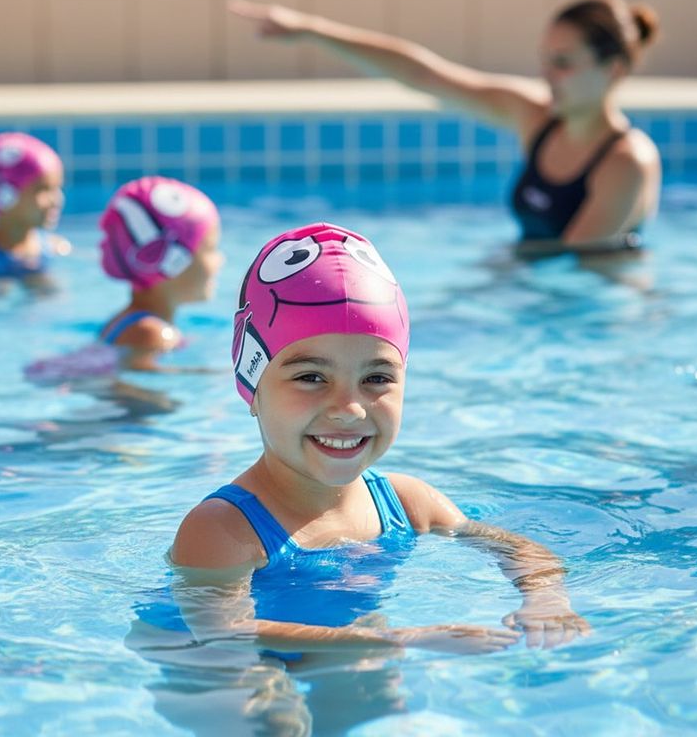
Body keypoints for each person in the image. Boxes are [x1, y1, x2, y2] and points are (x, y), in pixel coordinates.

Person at [170, 222, 590, 662]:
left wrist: (545, 599)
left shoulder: (406, 503)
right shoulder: (225, 529)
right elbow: (223, 631)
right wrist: (403, 640)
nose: (349, 408)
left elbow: (518, 548)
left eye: (376, 378)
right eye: (311, 377)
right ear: (252, 384)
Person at [229, 0, 661, 256]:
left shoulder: (626, 163)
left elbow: (573, 264)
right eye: (545, 59)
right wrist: (312, 30)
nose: (546, 74)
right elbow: (425, 74)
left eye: (563, 63)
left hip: (600, 313)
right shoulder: (537, 118)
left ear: (614, 69)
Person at [25, 176, 223, 379]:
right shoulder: (150, 333)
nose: (220, 260)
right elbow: (140, 385)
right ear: (172, 261)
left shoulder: (132, 322)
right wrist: (217, 375)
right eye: (211, 249)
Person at [0, 131, 69, 285]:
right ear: (4, 197)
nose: (56, 200)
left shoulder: (57, 248)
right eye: (43, 190)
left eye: (58, 188)